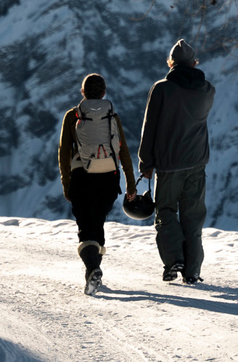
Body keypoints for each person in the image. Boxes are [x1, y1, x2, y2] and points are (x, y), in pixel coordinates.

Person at [137, 39, 215, 284]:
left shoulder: (161, 89)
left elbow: (150, 127)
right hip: (197, 162)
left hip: (169, 164)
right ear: (194, 63)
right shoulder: (207, 90)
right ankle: (193, 270)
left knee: (166, 212)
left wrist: (146, 163)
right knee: (193, 217)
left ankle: (173, 260)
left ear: (170, 63)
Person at [58, 73, 137, 295]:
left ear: (82, 92)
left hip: (81, 177)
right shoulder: (111, 115)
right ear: (104, 93)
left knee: (86, 226)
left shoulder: (72, 115)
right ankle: (94, 272)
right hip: (109, 177)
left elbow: (64, 153)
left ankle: (93, 268)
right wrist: (131, 184)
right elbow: (122, 151)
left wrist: (66, 184)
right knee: (97, 222)